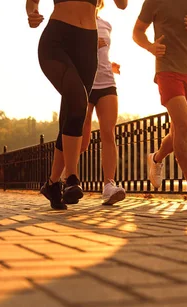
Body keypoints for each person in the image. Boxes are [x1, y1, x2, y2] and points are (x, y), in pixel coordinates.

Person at [27, 0, 127, 210]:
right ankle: (71, 178)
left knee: (73, 112)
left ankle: (53, 184)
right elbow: (32, 2)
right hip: (57, 39)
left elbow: (123, 4)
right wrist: (32, 12)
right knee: (78, 100)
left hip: (87, 45)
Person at [133, 0, 187, 206]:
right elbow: (137, 31)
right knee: (184, 124)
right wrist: (149, 46)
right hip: (166, 70)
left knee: (178, 133)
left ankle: (156, 158)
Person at [79, 0, 125, 205]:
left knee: (108, 132)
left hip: (107, 82)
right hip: (84, 84)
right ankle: (66, 176)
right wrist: (87, 45)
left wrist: (110, 63)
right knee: (83, 137)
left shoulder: (106, 24)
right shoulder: (77, 21)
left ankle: (108, 185)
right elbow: (70, 52)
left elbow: (101, 52)